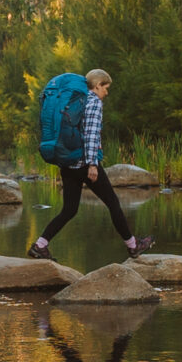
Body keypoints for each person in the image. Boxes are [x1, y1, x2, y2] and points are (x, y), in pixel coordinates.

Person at [30, 68, 151, 260]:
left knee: (69, 209)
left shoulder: (78, 101)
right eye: (106, 87)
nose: (106, 92)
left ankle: (40, 245)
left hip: (68, 163)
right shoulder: (94, 102)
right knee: (113, 203)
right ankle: (133, 246)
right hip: (85, 164)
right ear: (97, 86)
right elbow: (91, 134)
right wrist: (93, 164)